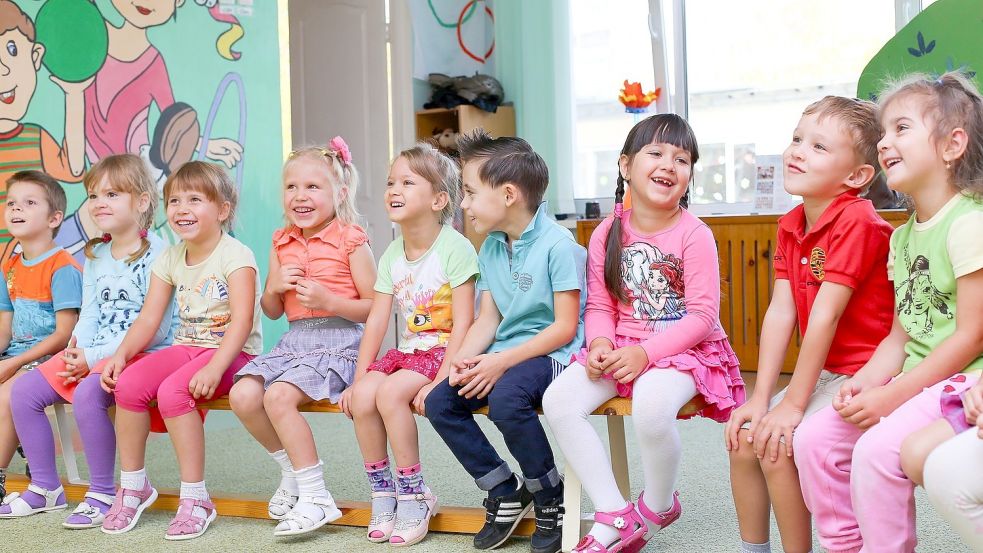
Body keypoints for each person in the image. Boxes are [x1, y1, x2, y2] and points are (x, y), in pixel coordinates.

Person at [793, 71, 983, 553]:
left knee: (877, 451)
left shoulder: (968, 223)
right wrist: (868, 383)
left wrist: (892, 396)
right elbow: (899, 339)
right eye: (883, 133)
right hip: (917, 380)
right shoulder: (901, 238)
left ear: (951, 145)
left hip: (961, 380)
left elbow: (971, 338)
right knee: (813, 441)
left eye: (901, 129)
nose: (884, 143)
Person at [543, 114, 744, 553]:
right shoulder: (605, 233)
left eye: (682, 159)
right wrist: (599, 344)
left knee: (651, 403)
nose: (669, 165)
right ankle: (614, 512)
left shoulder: (695, 234)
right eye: (656, 153)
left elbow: (703, 317)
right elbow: (599, 305)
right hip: (621, 347)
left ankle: (657, 504)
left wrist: (646, 355)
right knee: (558, 399)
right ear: (625, 165)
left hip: (685, 348)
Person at [725, 97, 893, 553]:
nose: (797, 150)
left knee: (777, 444)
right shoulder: (791, 223)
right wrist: (760, 397)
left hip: (869, 373)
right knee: (744, 438)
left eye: (819, 146)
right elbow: (782, 312)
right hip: (826, 371)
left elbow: (825, 314)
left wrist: (792, 406)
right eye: (798, 138)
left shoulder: (858, 220)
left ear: (857, 177)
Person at [424, 130, 586, 553]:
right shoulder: (492, 247)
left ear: (509, 194)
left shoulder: (559, 246)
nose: (464, 203)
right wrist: (457, 364)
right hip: (506, 353)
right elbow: (488, 321)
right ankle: (504, 490)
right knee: (441, 402)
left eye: (471, 193)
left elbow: (564, 328)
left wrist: (500, 363)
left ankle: (549, 494)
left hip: (551, 354)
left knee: (507, 399)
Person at [99, 161, 262, 540]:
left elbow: (240, 323)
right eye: (174, 201)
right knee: (128, 385)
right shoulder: (171, 257)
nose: (181, 209)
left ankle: (196, 497)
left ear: (222, 210)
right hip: (188, 347)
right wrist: (121, 355)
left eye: (194, 200)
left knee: (175, 391)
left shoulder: (235, 256)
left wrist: (214, 367)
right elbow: (148, 319)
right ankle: (134, 484)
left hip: (233, 352)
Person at [230, 138, 376, 536]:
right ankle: (291, 470)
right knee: (242, 395)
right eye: (292, 187)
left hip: (341, 342)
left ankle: (316, 496)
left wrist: (330, 300)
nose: (301, 196)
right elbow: (273, 311)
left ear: (339, 192)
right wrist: (273, 286)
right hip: (295, 343)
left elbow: (376, 307)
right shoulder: (281, 240)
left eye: (313, 186)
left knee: (277, 397)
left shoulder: (352, 239)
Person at [340, 142, 476, 546]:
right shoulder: (392, 253)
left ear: (438, 199)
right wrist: (359, 376)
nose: (393, 190)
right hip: (411, 352)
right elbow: (379, 319)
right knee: (364, 396)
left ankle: (415, 492)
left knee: (390, 395)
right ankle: (384, 491)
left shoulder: (455, 247)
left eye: (407, 182)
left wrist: (441, 379)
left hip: (445, 352)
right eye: (390, 182)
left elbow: (466, 323)